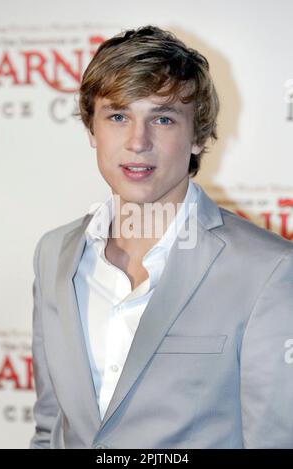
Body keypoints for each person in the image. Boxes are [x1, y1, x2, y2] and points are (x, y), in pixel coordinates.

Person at [29, 25, 293, 449]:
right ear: (92, 131)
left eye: (164, 118)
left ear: (198, 136)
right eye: (118, 116)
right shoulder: (54, 254)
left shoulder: (268, 270)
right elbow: (50, 429)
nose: (138, 142)